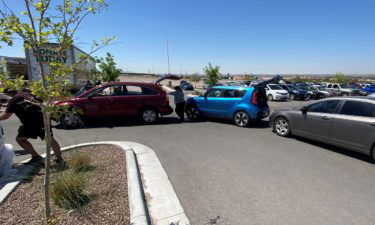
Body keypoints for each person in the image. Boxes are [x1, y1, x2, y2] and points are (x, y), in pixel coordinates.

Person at [0, 89, 65, 168]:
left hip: (30, 123)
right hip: (44, 119)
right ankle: (60, 160)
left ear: (9, 95)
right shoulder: (32, 93)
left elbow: (6, 116)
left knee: (20, 139)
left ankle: (36, 157)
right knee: (50, 139)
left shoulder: (14, 100)